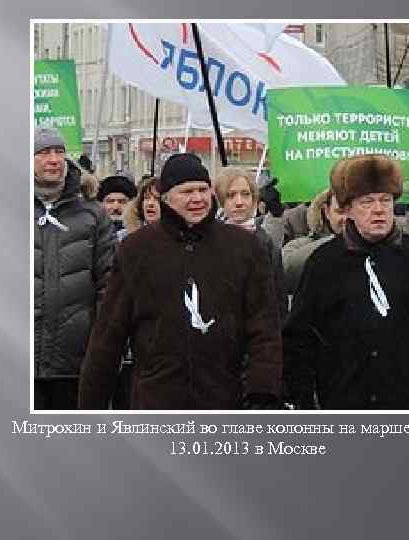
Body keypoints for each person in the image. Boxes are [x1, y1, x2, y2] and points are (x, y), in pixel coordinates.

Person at [78, 153, 282, 410]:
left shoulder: (244, 248)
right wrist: (90, 408)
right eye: (187, 191)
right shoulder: (136, 250)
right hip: (157, 401)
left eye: (202, 190)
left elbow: (265, 329)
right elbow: (108, 336)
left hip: (226, 400)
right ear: (166, 198)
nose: (197, 199)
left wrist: (262, 394)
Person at [283, 154, 409, 410]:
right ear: (348, 209)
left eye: (385, 200)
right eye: (367, 202)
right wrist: (305, 399)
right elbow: (298, 337)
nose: (378, 209)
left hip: (408, 404)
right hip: (342, 403)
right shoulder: (324, 263)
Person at [33, 127, 114, 409]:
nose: (54, 159)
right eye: (43, 153)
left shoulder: (92, 216)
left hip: (76, 359)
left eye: (59, 152)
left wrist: (101, 344)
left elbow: (109, 285)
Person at [214, 167, 288, 323]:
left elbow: (278, 302)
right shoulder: (210, 244)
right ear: (222, 201)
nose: (239, 202)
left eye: (245, 194)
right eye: (231, 195)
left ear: (254, 200)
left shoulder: (267, 245)